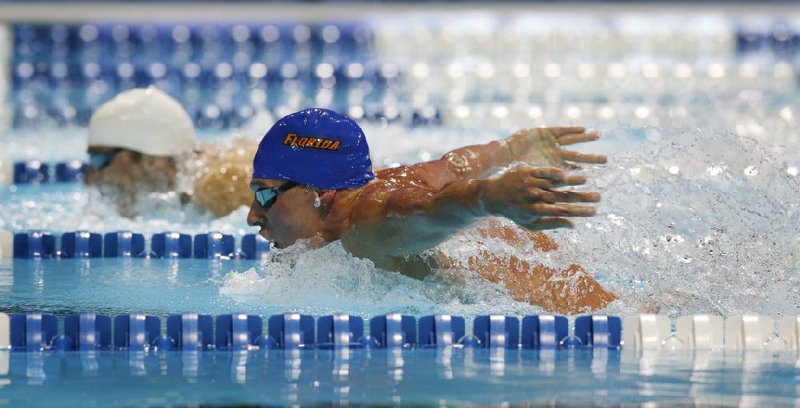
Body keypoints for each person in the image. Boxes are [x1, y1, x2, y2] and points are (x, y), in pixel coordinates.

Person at [247, 108, 615, 314]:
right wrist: (515, 146)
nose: (252, 216)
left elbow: (423, 211)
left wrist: (488, 198)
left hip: (573, 312)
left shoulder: (367, 220)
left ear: (322, 193)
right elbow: (453, 166)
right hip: (550, 270)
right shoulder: (381, 182)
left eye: (265, 197)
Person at [85, 86, 257, 217]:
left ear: (148, 159)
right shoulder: (183, 188)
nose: (89, 177)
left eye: (99, 159)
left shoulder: (226, 186)